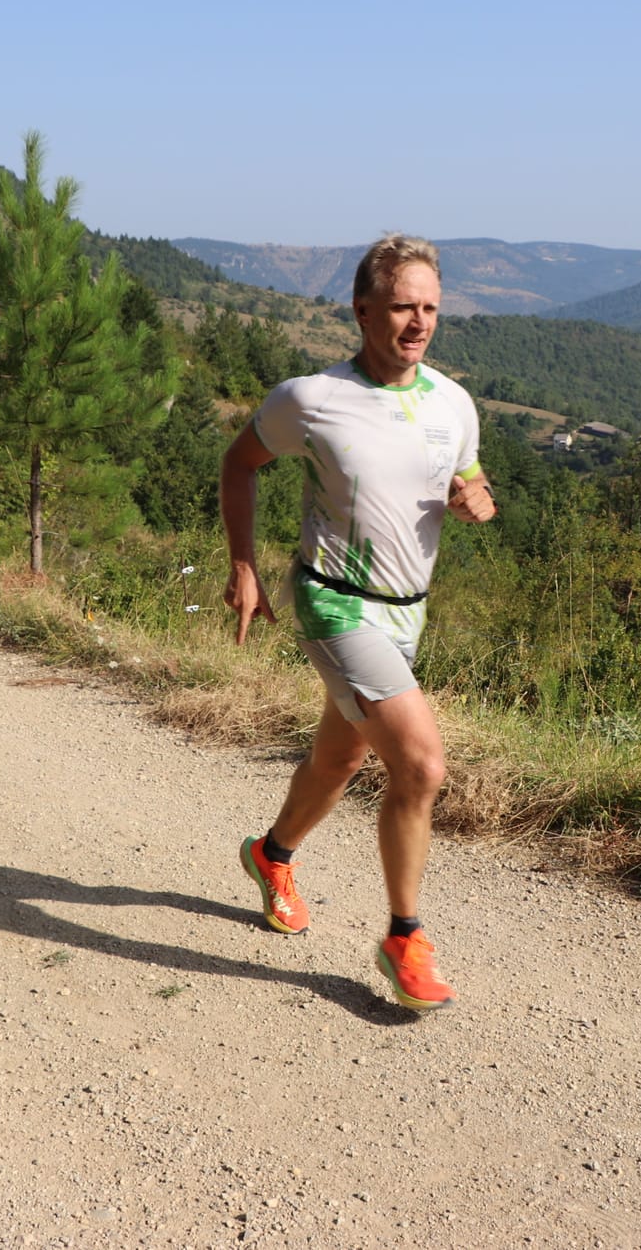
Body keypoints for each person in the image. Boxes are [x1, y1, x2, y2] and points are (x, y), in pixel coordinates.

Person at [221, 234, 495, 1011]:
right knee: (420, 765)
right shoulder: (312, 399)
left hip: (409, 613)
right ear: (363, 308)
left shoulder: (454, 403)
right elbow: (239, 464)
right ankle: (404, 936)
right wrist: (242, 566)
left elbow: (468, 482)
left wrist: (478, 500)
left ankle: (271, 855)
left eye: (432, 307)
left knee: (340, 760)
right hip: (333, 600)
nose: (419, 322)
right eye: (404, 306)